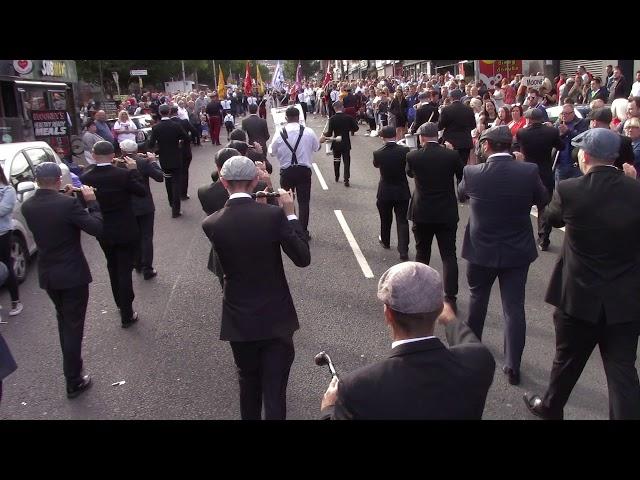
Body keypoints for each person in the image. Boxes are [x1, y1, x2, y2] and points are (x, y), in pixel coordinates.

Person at [524, 128, 640, 420]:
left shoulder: (571, 189)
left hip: (579, 294)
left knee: (567, 360)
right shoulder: (635, 190)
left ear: (585, 156)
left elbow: (552, 216)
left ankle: (550, 407)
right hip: (625, 297)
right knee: (622, 370)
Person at [201, 156, 310, 420]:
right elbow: (302, 257)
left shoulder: (212, 223)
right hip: (275, 317)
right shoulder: (272, 215)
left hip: (238, 319)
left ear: (223, 181)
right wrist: (290, 213)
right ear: (255, 181)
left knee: (248, 386)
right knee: (275, 391)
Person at [320, 262, 495, 420]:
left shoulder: (357, 388)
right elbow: (471, 344)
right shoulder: (479, 361)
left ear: (388, 315)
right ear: (440, 308)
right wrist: (451, 320)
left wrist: (328, 409)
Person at [458, 126, 550, 386]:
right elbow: (543, 199)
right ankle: (512, 366)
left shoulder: (473, 172)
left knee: (477, 300)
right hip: (517, 250)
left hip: (480, 249)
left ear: (486, 146)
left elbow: (460, 193)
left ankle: (470, 354)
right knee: (514, 308)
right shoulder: (528, 171)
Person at [21, 162, 103, 398]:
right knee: (73, 326)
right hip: (71, 274)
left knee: (64, 321)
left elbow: (53, 217)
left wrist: (67, 200)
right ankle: (73, 379)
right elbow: (96, 227)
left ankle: (73, 371)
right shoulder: (67, 204)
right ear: (59, 179)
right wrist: (91, 203)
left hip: (48, 273)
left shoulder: (28, 206)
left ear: (37, 181)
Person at [80, 141, 146, 328]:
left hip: (103, 229)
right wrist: (134, 171)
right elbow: (141, 191)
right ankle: (127, 311)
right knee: (125, 269)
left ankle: (119, 302)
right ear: (112, 155)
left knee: (112, 266)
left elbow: (85, 203)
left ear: (93, 156)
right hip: (125, 227)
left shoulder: (86, 177)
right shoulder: (123, 174)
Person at [406, 122, 463, 310]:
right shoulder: (451, 155)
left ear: (422, 137)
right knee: (449, 255)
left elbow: (410, 173)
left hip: (422, 211)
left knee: (422, 252)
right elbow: (461, 174)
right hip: (446, 211)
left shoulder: (413, 156)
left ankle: (421, 293)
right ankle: (450, 297)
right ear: (437, 137)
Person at [513, 108, 564, 251]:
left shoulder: (522, 133)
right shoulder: (551, 132)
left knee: (523, 206)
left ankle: (520, 236)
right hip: (545, 172)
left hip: (527, 172)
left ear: (528, 119)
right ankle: (544, 239)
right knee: (544, 207)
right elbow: (561, 146)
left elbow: (515, 147)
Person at [269, 106, 320, 239]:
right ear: (299, 118)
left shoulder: (279, 133)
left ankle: (293, 229)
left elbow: (271, 152)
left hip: (286, 172)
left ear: (286, 118)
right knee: (304, 202)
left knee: (288, 201)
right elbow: (317, 147)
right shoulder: (308, 131)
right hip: (304, 171)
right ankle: (303, 231)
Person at [119, 140, 164, 280]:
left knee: (134, 236)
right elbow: (159, 176)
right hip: (144, 205)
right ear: (136, 149)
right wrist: (153, 161)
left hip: (126, 206)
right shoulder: (142, 162)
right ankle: (147, 268)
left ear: (122, 151)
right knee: (146, 236)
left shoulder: (117, 164)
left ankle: (137, 263)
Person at [372, 126, 411, 261]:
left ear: (382, 137)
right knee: (402, 221)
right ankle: (403, 250)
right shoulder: (405, 150)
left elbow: (376, 165)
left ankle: (386, 240)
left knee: (385, 218)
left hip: (385, 190)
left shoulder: (378, 153)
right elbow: (408, 169)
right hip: (401, 190)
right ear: (395, 136)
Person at [147, 104, 190, 218]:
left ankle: (171, 203)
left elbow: (150, 144)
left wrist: (159, 147)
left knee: (168, 181)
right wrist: (179, 143)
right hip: (176, 157)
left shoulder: (156, 127)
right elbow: (186, 137)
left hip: (164, 158)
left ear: (160, 113)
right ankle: (176, 210)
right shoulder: (175, 125)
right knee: (176, 182)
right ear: (170, 111)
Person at [0, 168, 23, 316]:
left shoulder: (7, 190)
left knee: (6, 265)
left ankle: (15, 301)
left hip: (2, 233)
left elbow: (3, 209)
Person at [320, 101, 359, 187]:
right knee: (346, 162)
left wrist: (324, 135)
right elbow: (356, 128)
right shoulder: (349, 118)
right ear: (342, 107)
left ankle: (337, 176)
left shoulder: (332, 119)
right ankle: (346, 179)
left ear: (334, 108)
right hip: (346, 142)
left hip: (336, 143)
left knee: (336, 160)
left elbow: (329, 133)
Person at [438, 89, 476, 165]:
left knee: (450, 165)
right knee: (463, 164)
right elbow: (473, 125)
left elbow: (440, 126)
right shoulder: (469, 109)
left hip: (450, 142)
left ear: (451, 97)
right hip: (465, 141)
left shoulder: (446, 110)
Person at [554, 103, 588, 185]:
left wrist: (568, 132)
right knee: (560, 189)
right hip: (560, 164)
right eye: (562, 113)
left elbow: (582, 139)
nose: (564, 116)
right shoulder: (558, 124)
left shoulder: (582, 123)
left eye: (566, 113)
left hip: (575, 164)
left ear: (573, 113)